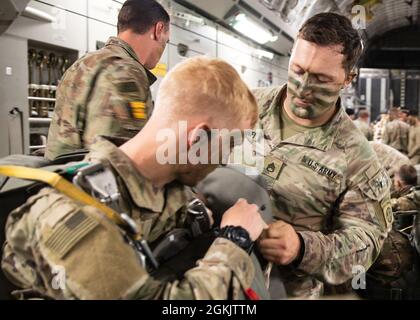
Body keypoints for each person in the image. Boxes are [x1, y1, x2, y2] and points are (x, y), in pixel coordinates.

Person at [1, 57, 268, 300]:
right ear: (198, 138)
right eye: (227, 147)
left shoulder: (167, 191)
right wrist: (235, 239)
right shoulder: (72, 216)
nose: (223, 159)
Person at [243, 12, 392, 298]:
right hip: (216, 280)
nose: (303, 87)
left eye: (321, 79)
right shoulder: (245, 105)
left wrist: (301, 248)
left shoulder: (356, 157)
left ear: (348, 78)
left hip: (284, 291)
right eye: (298, 70)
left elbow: (366, 243)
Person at [45, 0, 170, 160]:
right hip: (89, 182)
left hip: (61, 176)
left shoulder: (84, 62)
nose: (163, 48)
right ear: (158, 30)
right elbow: (120, 157)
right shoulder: (126, 70)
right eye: (166, 41)